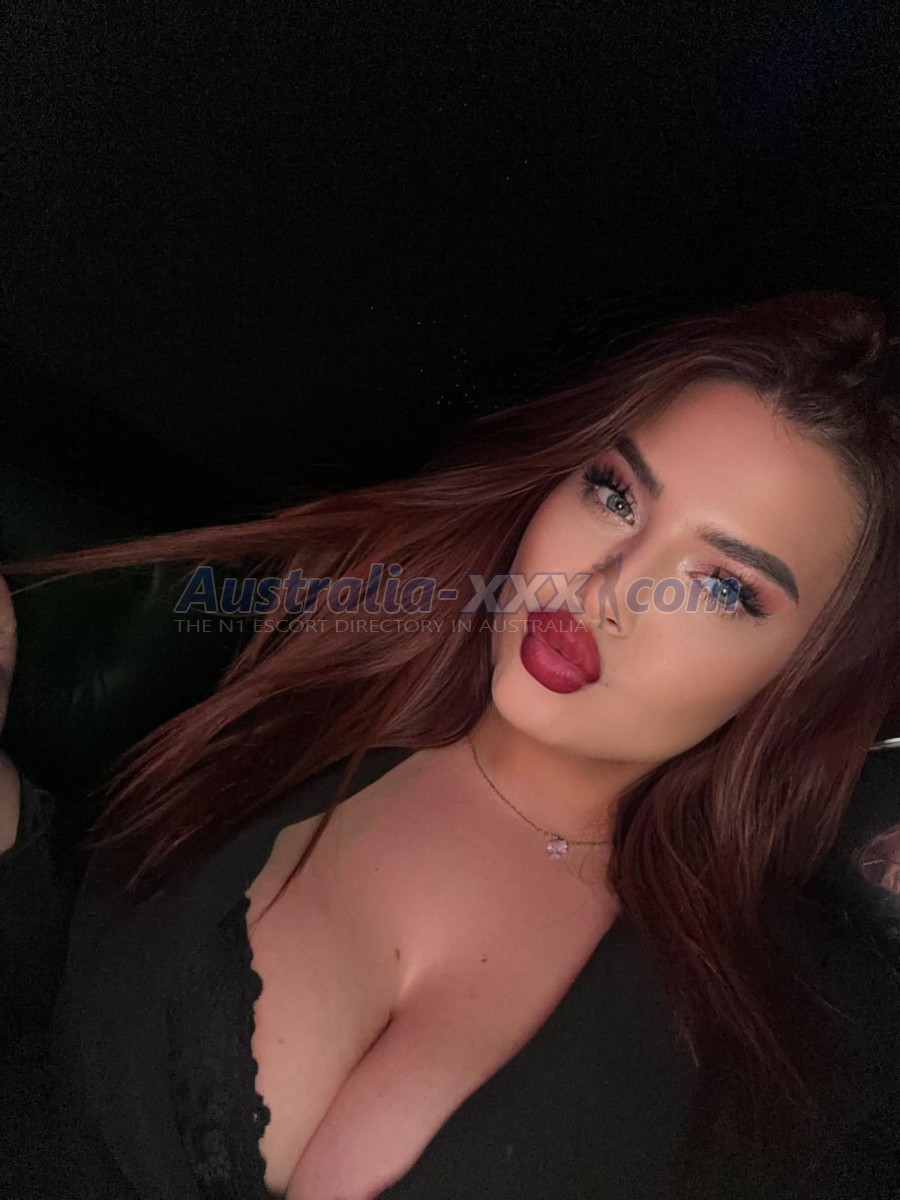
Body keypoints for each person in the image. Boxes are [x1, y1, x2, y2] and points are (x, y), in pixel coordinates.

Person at [1, 289, 899, 1200]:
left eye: (724, 586)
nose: (604, 590)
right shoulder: (326, 687)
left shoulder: (795, 1049)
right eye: (615, 494)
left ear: (803, 680)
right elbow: (62, 1003)